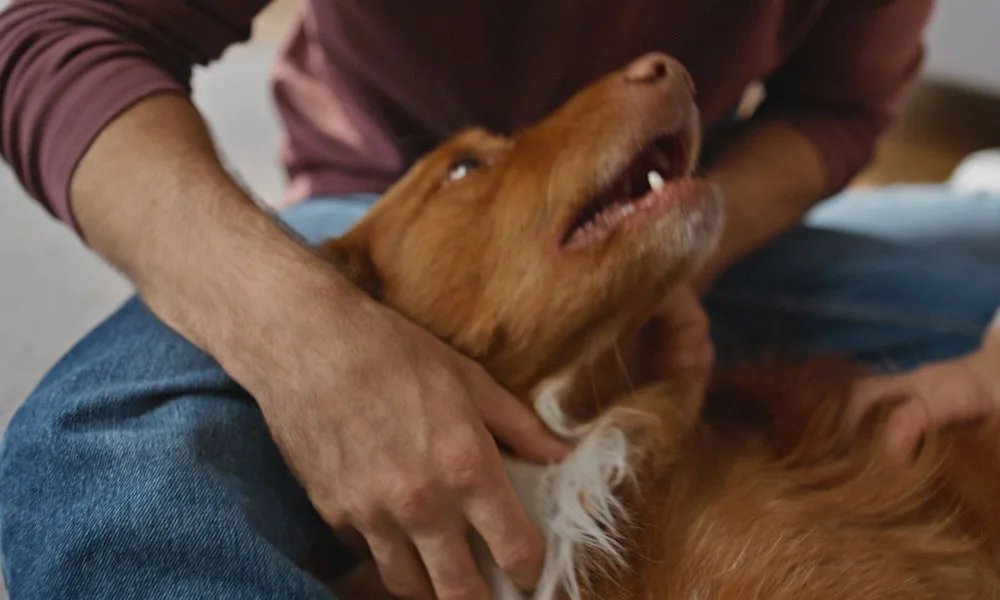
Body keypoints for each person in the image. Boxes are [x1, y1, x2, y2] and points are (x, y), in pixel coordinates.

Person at [0, 1, 997, 598]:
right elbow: (60, 34)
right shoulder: (366, 266)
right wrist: (305, 335)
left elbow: (836, 107)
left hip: (691, 210)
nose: (662, 70)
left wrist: (665, 262)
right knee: (106, 449)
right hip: (372, 215)